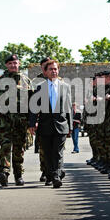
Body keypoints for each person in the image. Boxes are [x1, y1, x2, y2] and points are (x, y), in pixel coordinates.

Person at [0, 55, 33, 187]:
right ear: (6, 65)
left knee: (19, 149)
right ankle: (4, 172)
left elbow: (33, 104)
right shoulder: (0, 81)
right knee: (5, 147)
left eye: (15, 63)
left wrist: (32, 121)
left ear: (19, 64)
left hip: (21, 122)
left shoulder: (26, 81)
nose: (13, 65)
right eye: (10, 63)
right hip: (4, 121)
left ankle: (18, 175)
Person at [29, 60, 72, 188]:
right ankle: (51, 175)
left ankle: (56, 176)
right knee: (47, 153)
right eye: (51, 69)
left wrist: (70, 125)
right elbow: (33, 108)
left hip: (61, 125)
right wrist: (32, 124)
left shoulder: (65, 86)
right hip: (45, 125)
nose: (54, 71)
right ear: (45, 72)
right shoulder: (40, 87)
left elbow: (68, 107)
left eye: (55, 69)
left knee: (57, 152)